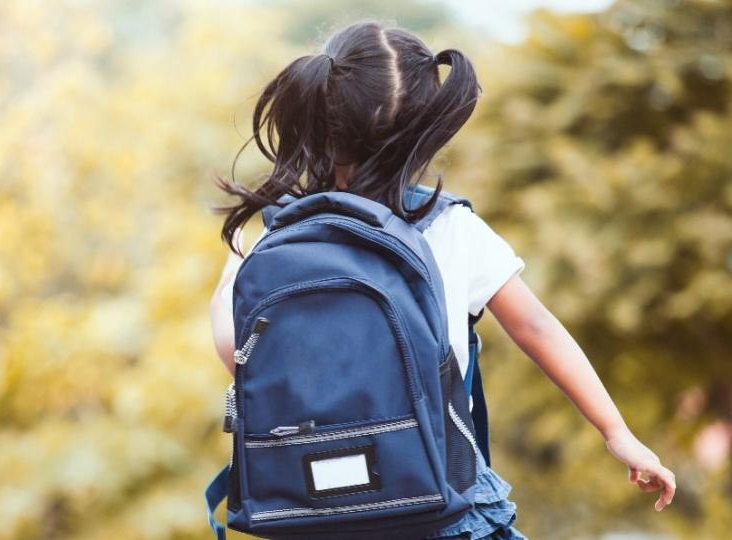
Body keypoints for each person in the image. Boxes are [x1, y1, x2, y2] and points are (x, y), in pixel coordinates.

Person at [207, 20, 676, 539]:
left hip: (313, 512)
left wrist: (238, 267)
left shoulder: (280, 236)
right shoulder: (450, 227)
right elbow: (537, 328)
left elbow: (237, 353)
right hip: (440, 503)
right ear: (423, 131)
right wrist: (616, 432)